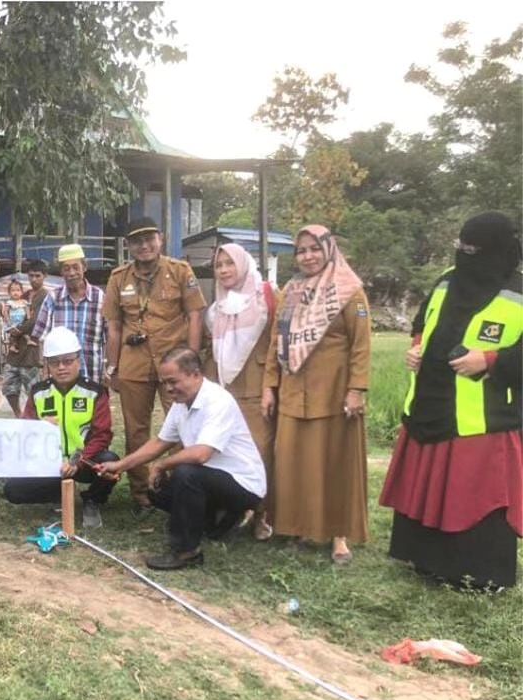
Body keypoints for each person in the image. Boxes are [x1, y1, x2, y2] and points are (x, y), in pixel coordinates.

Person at [381, 212, 522, 589]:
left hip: (482, 419)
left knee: (473, 496)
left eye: (473, 249)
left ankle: (478, 575)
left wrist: (490, 361)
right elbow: (422, 322)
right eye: (461, 247)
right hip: (430, 405)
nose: (465, 255)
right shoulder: (446, 280)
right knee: (428, 488)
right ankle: (425, 561)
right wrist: (416, 347)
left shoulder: (519, 291)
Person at [262, 224, 370, 564]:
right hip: (294, 393)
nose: (307, 256)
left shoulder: (350, 291)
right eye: (301, 250)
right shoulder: (290, 292)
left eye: (314, 249)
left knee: (335, 465)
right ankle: (296, 527)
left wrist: (356, 389)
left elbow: (361, 347)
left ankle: (338, 536)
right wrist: (269, 385)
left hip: (334, 394)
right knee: (292, 463)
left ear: (329, 249)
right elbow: (275, 343)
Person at [98, 349, 265, 570]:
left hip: (244, 484)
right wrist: (120, 465)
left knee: (187, 474)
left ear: (195, 374)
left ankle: (187, 552)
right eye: (164, 382)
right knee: (156, 489)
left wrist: (162, 464)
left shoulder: (217, 401)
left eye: (172, 381)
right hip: (211, 479)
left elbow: (201, 454)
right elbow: (159, 443)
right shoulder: (180, 404)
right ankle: (215, 520)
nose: (168, 389)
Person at [103, 217, 207, 515]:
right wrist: (112, 368)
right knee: (136, 430)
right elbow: (113, 327)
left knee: (184, 427)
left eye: (150, 238)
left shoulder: (179, 271)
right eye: (137, 241)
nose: (144, 245)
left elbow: (196, 316)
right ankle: (142, 494)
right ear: (128, 246)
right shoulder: (118, 278)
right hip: (133, 364)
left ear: (160, 239)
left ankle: (179, 488)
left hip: (173, 361)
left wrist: (192, 359)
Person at [4, 326, 120, 528]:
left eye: (68, 361)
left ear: (78, 360)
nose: (61, 367)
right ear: (47, 364)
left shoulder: (95, 392)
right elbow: (26, 429)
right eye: (55, 362)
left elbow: (102, 436)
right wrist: (39, 427)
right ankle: (59, 497)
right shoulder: (38, 392)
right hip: (51, 464)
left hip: (84, 462)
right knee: (13, 490)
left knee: (111, 462)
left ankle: (92, 500)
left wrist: (77, 461)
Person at [205, 243, 276, 541]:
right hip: (225, 388)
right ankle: (233, 510)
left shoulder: (266, 298)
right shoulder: (218, 307)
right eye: (219, 265)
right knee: (225, 451)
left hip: (257, 387)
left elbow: (276, 344)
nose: (223, 270)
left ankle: (263, 514)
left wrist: (271, 385)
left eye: (229, 263)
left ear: (243, 264)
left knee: (260, 452)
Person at [31, 244, 106, 383]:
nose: (71, 273)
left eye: (76, 267)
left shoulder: (100, 297)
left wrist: (108, 369)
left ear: (84, 267)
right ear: (61, 272)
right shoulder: (53, 297)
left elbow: (108, 337)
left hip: (91, 375)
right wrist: (45, 368)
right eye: (66, 268)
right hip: (59, 378)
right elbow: (42, 338)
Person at [2, 260, 48, 417]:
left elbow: (36, 320)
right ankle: (18, 413)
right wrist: (9, 325)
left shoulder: (46, 296)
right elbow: (14, 312)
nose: (34, 279)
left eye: (37, 276)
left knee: (33, 389)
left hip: (32, 348)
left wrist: (18, 330)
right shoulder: (24, 295)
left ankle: (33, 417)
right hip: (16, 348)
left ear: (44, 276)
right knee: (9, 385)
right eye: (31, 276)